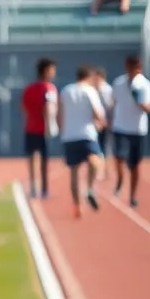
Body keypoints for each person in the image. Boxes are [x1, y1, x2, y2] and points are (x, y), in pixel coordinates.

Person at [58, 66, 106, 218]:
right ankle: (89, 189)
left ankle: (78, 203)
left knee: (74, 171)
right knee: (95, 160)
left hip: (70, 135)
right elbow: (98, 113)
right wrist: (101, 124)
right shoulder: (89, 91)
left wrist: (62, 130)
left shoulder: (65, 91)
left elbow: (59, 113)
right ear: (89, 76)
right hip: (87, 134)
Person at [110, 55, 150, 207]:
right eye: (129, 68)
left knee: (135, 164)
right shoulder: (119, 82)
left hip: (137, 129)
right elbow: (113, 102)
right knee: (119, 157)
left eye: (134, 69)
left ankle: (133, 195)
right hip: (120, 126)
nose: (131, 72)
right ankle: (120, 180)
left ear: (139, 69)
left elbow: (149, 108)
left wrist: (140, 102)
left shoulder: (145, 85)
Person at [21, 58, 59, 199]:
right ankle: (44, 188)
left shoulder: (29, 88)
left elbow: (23, 108)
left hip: (30, 127)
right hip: (44, 129)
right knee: (44, 160)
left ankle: (33, 187)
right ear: (46, 70)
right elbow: (49, 107)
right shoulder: (49, 88)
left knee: (32, 158)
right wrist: (52, 124)